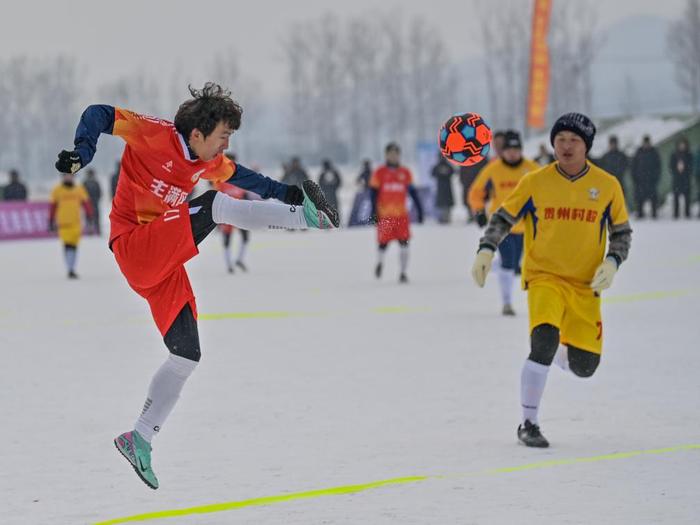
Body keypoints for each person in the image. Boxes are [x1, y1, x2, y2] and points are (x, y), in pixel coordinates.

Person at [54, 83, 339, 490]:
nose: (226, 144)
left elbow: (247, 178)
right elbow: (99, 113)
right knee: (214, 204)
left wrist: (291, 192)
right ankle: (306, 221)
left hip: (163, 262)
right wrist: (83, 152)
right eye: (223, 135)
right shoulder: (152, 133)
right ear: (197, 133)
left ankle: (139, 437)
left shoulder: (208, 161)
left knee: (186, 357)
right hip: (136, 246)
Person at [471, 113, 632, 448]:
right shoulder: (535, 181)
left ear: (586, 145)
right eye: (560, 140)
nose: (566, 146)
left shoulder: (606, 186)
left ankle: (557, 348)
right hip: (544, 275)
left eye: (574, 140)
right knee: (543, 341)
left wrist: (613, 261)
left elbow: (621, 233)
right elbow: (503, 216)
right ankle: (528, 423)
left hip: (585, 285)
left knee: (585, 367)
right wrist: (486, 249)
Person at [468, 130, 539, 316]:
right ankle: (507, 302)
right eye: (509, 149)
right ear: (503, 151)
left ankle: (495, 266)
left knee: (521, 264)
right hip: (503, 226)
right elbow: (476, 191)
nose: (513, 153)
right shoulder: (493, 169)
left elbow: (547, 192)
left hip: (528, 226)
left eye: (516, 149)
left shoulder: (532, 168)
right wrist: (478, 211)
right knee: (509, 263)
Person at [370, 142, 423, 283]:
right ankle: (380, 262)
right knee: (383, 243)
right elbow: (373, 194)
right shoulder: (380, 172)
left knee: (404, 244)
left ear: (399, 156)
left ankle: (403, 273)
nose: (393, 156)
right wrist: (373, 212)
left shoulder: (405, 173)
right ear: (386, 155)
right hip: (385, 216)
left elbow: (413, 193)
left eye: (396, 154)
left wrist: (420, 209)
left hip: (401, 216)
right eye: (391, 154)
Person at [49, 172, 93, 279]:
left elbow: (86, 204)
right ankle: (70, 268)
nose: (68, 177)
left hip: (76, 222)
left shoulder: (79, 189)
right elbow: (53, 207)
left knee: (74, 246)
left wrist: (89, 216)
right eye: (66, 175)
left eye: (70, 175)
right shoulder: (57, 190)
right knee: (67, 245)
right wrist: (51, 220)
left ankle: (72, 267)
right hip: (63, 223)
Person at [213, 154, 251, 273]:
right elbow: (215, 195)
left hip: (240, 212)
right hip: (226, 213)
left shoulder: (241, 179)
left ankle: (239, 259)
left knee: (245, 237)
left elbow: (245, 195)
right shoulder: (220, 179)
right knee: (227, 239)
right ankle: (228, 264)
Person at [631, 135, 661, 219]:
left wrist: (656, 178)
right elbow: (633, 166)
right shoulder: (638, 152)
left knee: (653, 198)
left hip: (651, 180)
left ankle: (654, 214)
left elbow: (658, 166)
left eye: (647, 143)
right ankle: (640, 213)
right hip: (640, 181)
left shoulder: (654, 152)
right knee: (639, 199)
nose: (646, 144)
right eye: (645, 143)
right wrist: (635, 178)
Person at [669, 137, 693, 219]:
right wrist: (676, 170)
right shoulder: (674, 154)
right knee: (676, 197)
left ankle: (687, 213)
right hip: (677, 179)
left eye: (683, 144)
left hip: (686, 179)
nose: (682, 146)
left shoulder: (689, 154)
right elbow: (671, 166)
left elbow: (691, 166)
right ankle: (676, 214)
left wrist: (685, 169)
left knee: (687, 197)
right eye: (680, 144)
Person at [458, 157, 488, 223]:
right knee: (468, 201)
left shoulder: (482, 158)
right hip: (468, 185)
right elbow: (461, 174)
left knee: (481, 200)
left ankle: (480, 215)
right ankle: (471, 215)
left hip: (480, 185)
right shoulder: (465, 160)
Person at [431, 155, 455, 224]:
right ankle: (442, 217)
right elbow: (433, 173)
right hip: (441, 187)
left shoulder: (448, 165)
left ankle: (446, 217)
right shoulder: (438, 166)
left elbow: (453, 171)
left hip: (447, 187)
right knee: (441, 204)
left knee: (447, 203)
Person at [83, 168, 103, 235]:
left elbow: (99, 192)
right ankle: (90, 230)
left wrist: (97, 199)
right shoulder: (85, 182)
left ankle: (97, 230)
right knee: (89, 216)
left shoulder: (94, 182)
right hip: (89, 202)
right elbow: (82, 193)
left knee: (95, 216)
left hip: (94, 201)